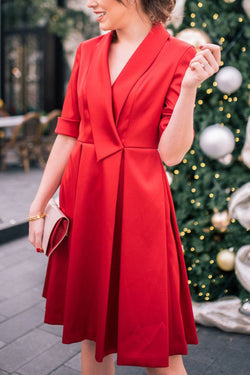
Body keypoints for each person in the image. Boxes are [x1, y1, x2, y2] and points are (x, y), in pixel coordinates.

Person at [28, 0, 221, 374]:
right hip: (84, 200)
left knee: (158, 345)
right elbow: (68, 134)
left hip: (139, 209)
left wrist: (190, 90)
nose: (91, 3)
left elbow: (171, 154)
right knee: (92, 339)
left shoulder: (180, 55)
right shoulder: (87, 52)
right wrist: (38, 207)